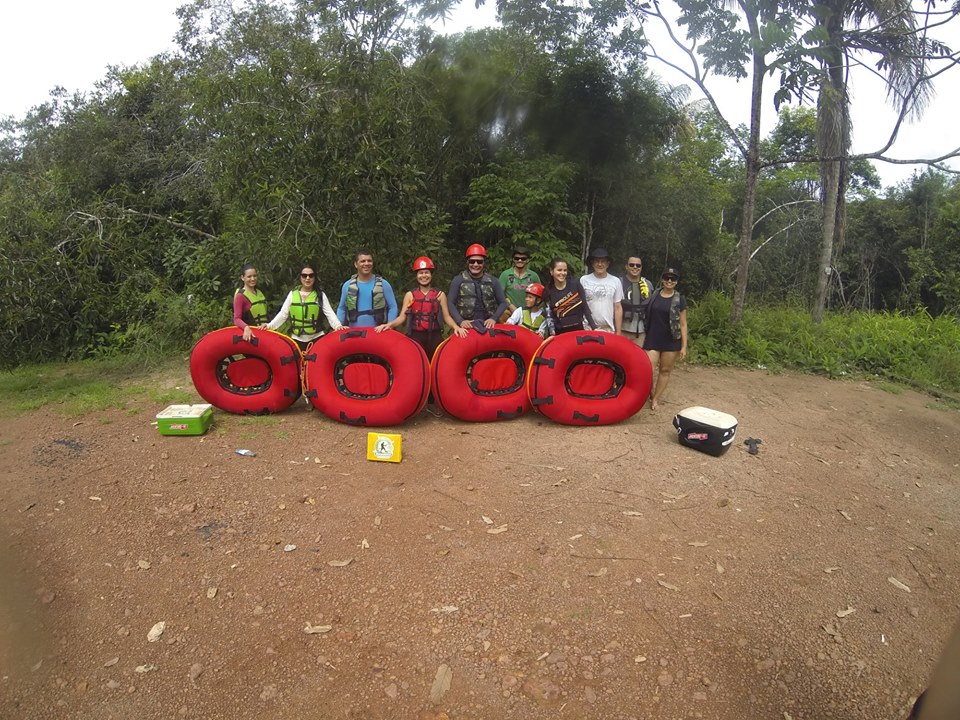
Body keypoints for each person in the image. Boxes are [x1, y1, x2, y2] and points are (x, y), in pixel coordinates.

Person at [375, 256, 467, 360]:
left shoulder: (440, 295)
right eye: (420, 273)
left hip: (435, 335)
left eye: (426, 272)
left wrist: (456, 327)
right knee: (416, 362)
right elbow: (402, 317)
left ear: (431, 274)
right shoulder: (410, 295)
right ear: (416, 275)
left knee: (437, 362)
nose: (424, 276)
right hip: (416, 335)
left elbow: (447, 317)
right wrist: (389, 324)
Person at [265, 263, 342, 352]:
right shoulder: (292, 294)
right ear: (300, 277)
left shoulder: (320, 295)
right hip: (296, 340)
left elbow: (330, 314)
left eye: (311, 275)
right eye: (304, 276)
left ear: (315, 277)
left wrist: (338, 326)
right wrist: (269, 326)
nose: (307, 278)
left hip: (317, 338)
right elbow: (283, 314)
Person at [643, 267, 688, 411]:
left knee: (665, 370)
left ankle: (655, 398)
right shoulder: (654, 295)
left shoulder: (680, 299)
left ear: (676, 282)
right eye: (667, 278)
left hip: (671, 340)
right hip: (653, 338)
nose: (669, 281)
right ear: (662, 279)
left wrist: (684, 346)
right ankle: (649, 392)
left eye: (673, 278)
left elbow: (683, 323)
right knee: (647, 369)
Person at [448, 244, 508, 330]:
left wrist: (493, 318)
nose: (476, 265)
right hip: (466, 324)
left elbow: (503, 302)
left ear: (484, 263)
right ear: (467, 262)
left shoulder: (493, 281)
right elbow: (450, 303)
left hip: (488, 323)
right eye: (472, 261)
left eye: (479, 262)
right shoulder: (458, 280)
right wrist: (460, 321)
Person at [337, 249, 399, 328]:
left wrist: (389, 325)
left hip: (378, 331)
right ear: (356, 264)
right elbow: (341, 308)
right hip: (354, 333)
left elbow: (393, 306)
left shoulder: (383, 284)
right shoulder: (347, 285)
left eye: (369, 261)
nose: (366, 264)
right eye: (363, 261)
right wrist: (339, 326)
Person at [543, 257, 596, 334]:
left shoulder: (575, 284)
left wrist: (594, 327)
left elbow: (585, 307)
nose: (562, 273)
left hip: (578, 329)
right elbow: (549, 316)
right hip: (560, 333)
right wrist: (552, 334)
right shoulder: (548, 291)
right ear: (551, 271)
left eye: (565, 270)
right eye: (559, 270)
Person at [580, 247, 623, 334]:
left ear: (608, 264)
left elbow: (618, 307)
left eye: (603, 261)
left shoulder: (615, 281)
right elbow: (580, 305)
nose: (600, 264)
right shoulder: (584, 280)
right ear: (592, 263)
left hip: (608, 329)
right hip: (588, 327)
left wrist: (618, 332)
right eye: (597, 261)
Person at [621, 253, 656, 346]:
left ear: (641, 267)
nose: (635, 267)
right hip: (621, 330)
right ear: (626, 267)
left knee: (637, 359)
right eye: (631, 265)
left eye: (638, 265)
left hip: (641, 331)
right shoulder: (618, 283)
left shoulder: (648, 285)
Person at [498, 246, 541, 318]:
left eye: (523, 258)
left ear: (527, 260)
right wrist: (510, 306)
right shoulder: (505, 275)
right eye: (517, 258)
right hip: (510, 312)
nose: (520, 260)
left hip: (529, 313)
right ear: (513, 259)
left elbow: (541, 295)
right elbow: (499, 294)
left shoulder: (533, 276)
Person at [233, 263, 267, 342]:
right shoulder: (240, 296)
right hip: (252, 334)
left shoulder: (259, 292)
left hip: (264, 331)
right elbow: (237, 319)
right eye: (249, 276)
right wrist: (246, 327)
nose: (252, 279)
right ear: (242, 278)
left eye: (254, 276)